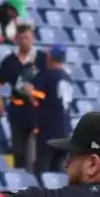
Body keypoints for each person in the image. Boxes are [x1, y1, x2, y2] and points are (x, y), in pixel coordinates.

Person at [0, 24, 46, 171]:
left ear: (33, 38)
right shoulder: (10, 60)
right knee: (18, 150)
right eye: (21, 38)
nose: (24, 41)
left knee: (35, 151)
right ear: (16, 39)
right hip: (17, 110)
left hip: (37, 110)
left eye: (27, 37)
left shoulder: (42, 59)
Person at [31, 45, 73, 177]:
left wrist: (28, 90)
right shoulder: (67, 77)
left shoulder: (49, 75)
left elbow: (38, 95)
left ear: (50, 57)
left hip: (49, 131)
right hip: (65, 132)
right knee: (59, 170)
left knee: (43, 170)